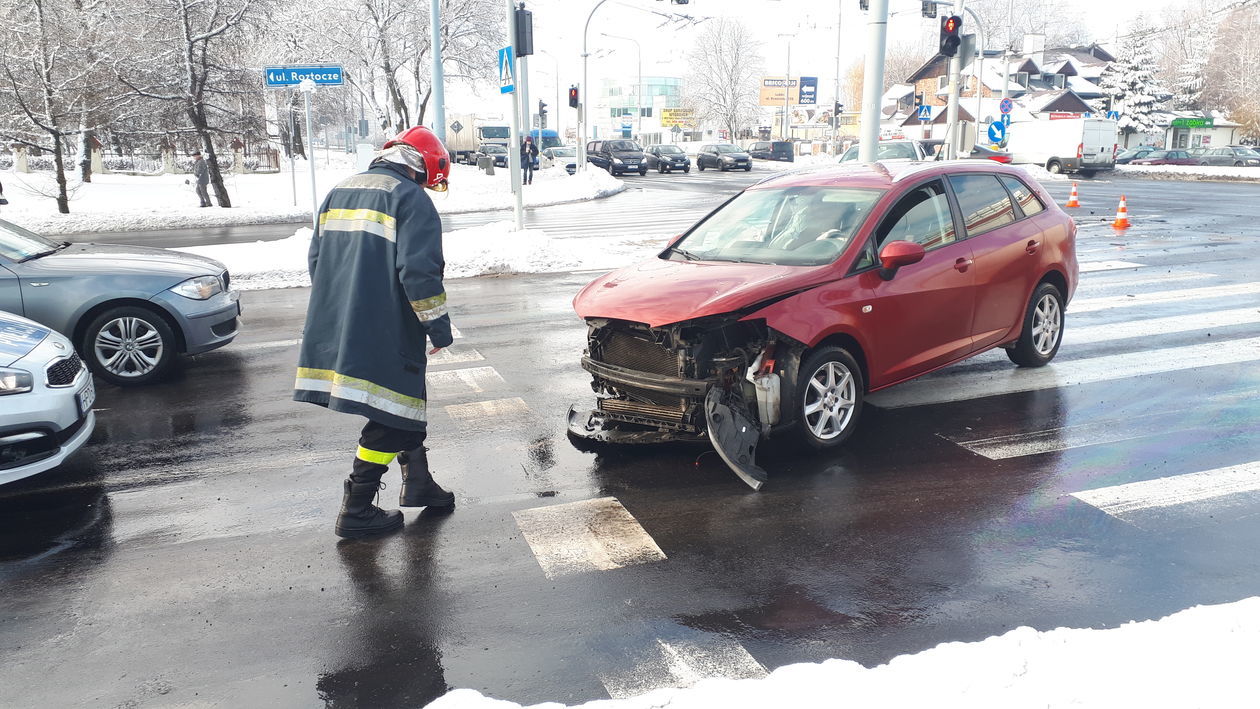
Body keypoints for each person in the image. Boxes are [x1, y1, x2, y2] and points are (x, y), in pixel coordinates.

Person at [294, 126, 456, 539]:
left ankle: (418, 481)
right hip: (385, 323)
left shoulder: (340, 189)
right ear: (424, 167)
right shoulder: (409, 197)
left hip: (342, 319)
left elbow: (317, 260)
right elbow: (419, 273)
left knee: (405, 402)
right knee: (392, 416)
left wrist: (341, 307)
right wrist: (437, 328)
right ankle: (357, 507)